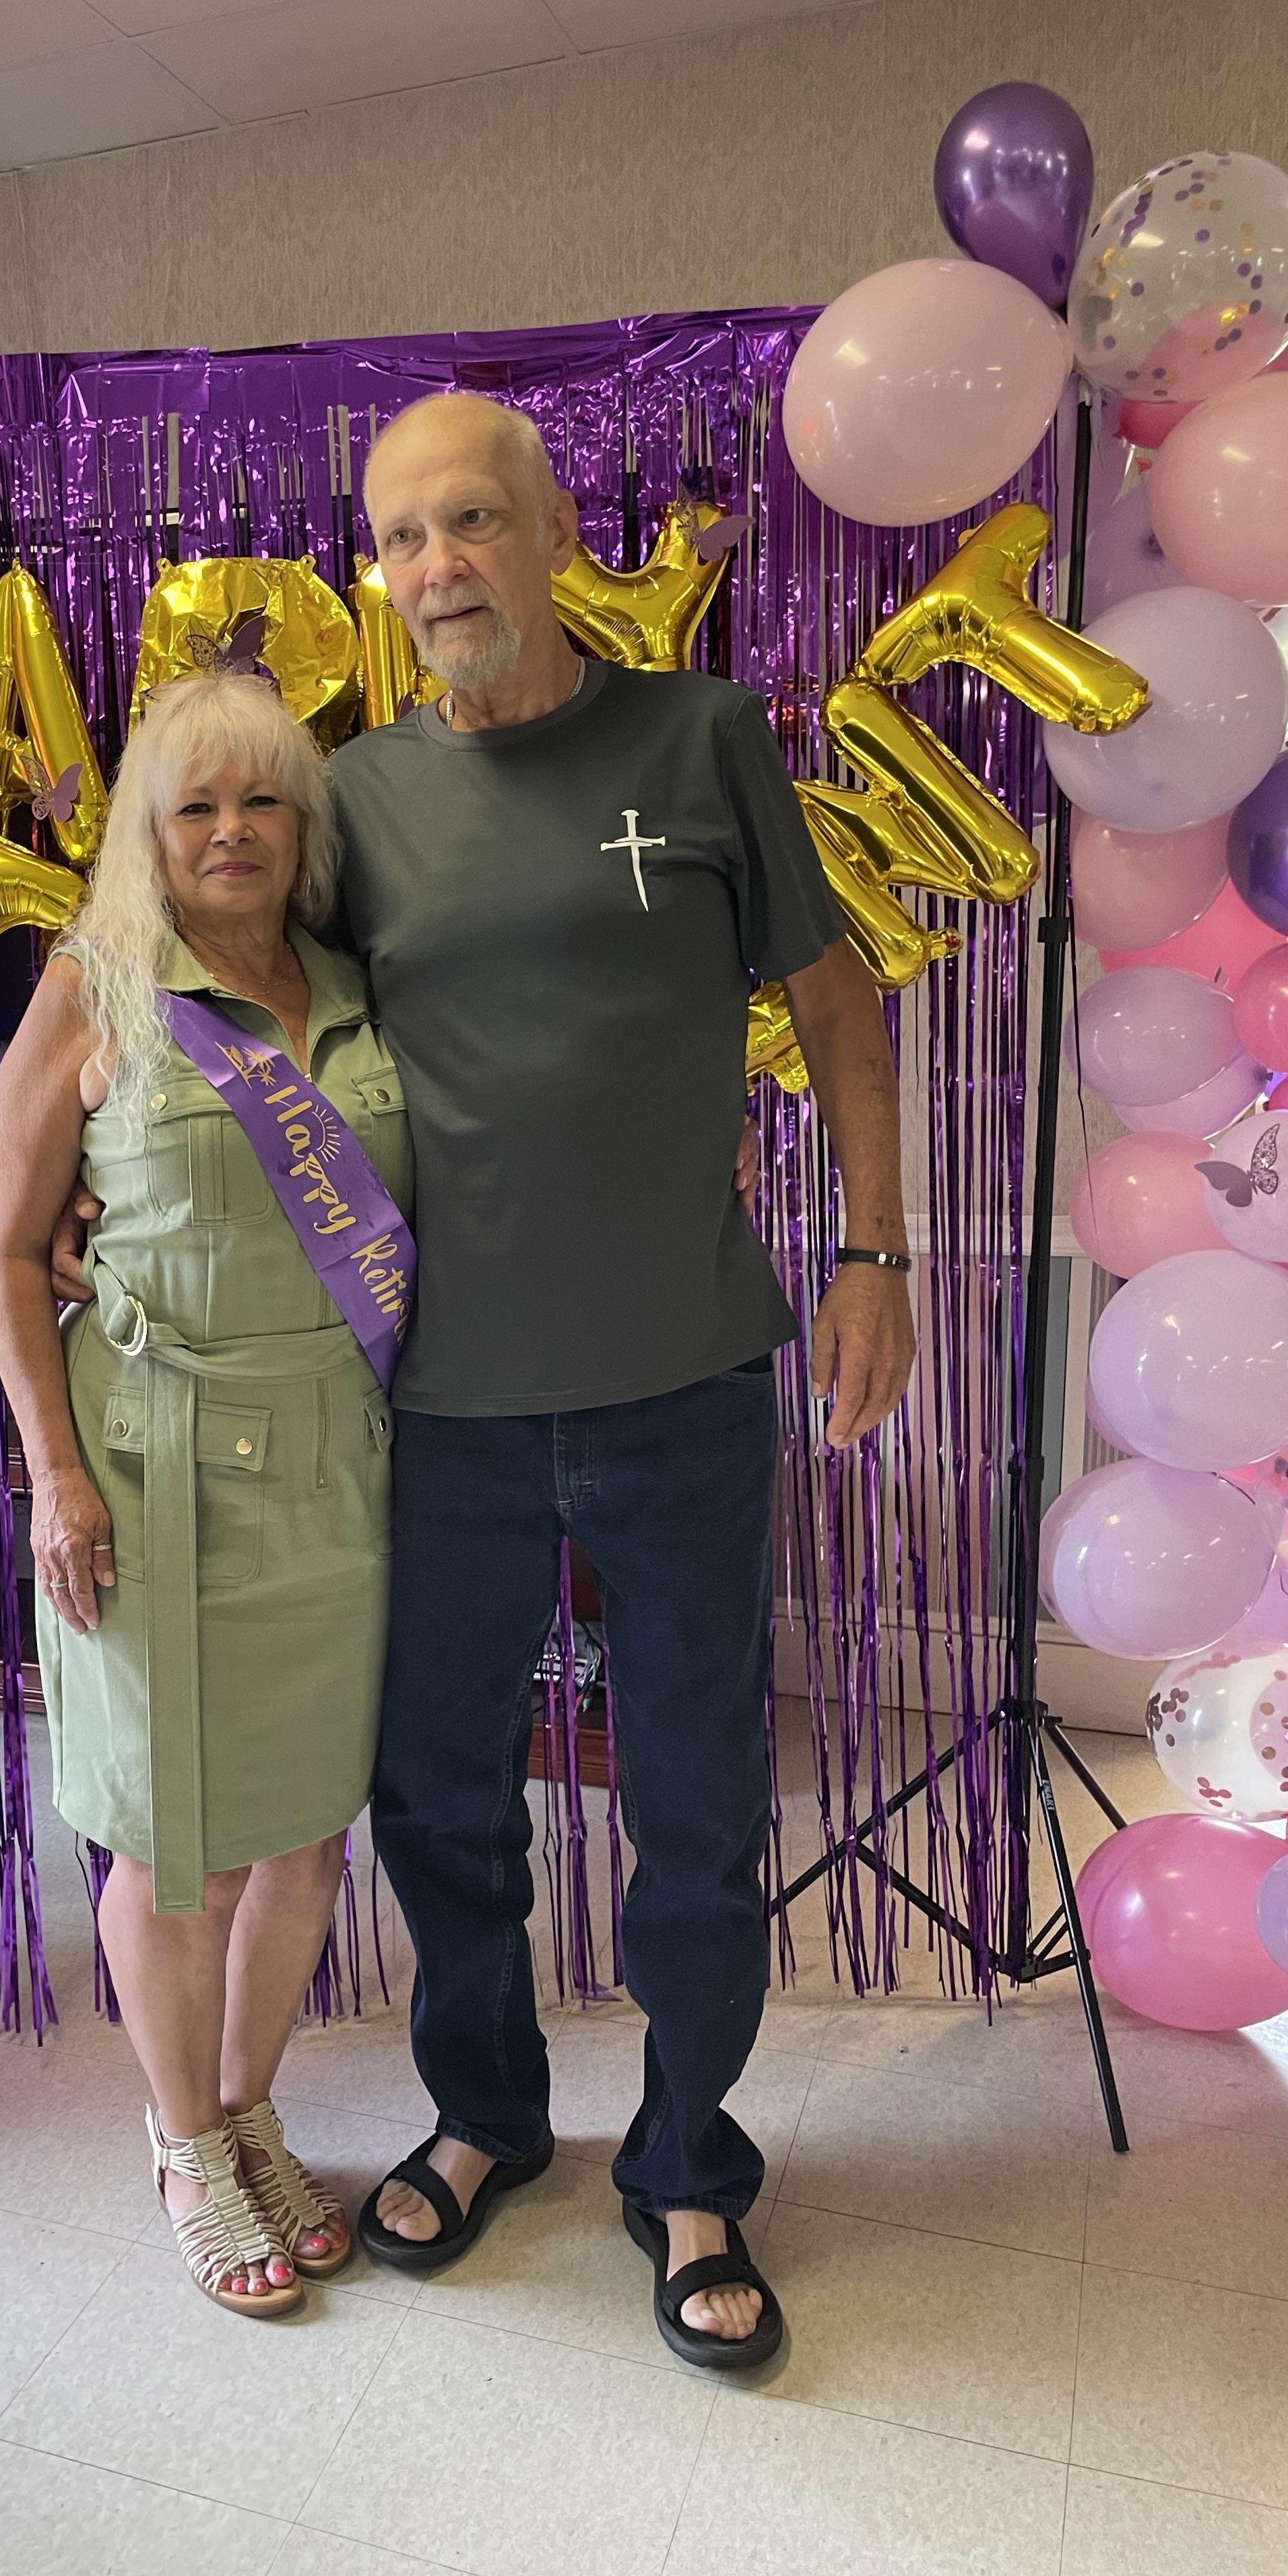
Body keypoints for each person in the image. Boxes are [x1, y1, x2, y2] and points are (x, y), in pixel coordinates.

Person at [330, 392, 915, 2368]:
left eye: (471, 523)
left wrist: (870, 1250)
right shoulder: (346, 803)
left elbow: (835, 1007)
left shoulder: (703, 736)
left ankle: (685, 2163)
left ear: (557, 533)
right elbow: (243, 1038)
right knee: (438, 1800)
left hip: (680, 1383)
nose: (436, 572)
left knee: (691, 1796)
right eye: (401, 538)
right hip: (438, 1408)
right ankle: (491, 2110)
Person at [0, 671, 414, 2317]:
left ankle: (245, 2116)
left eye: (264, 803)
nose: (233, 832)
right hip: (149, 1474)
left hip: (336, 1462)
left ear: (303, 830)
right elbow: (19, 1257)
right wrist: (51, 1476)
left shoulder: (359, 987)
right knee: (184, 1850)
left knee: (301, 1835)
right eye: (196, 807)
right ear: (148, 836)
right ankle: (182, 2144)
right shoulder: (96, 991)